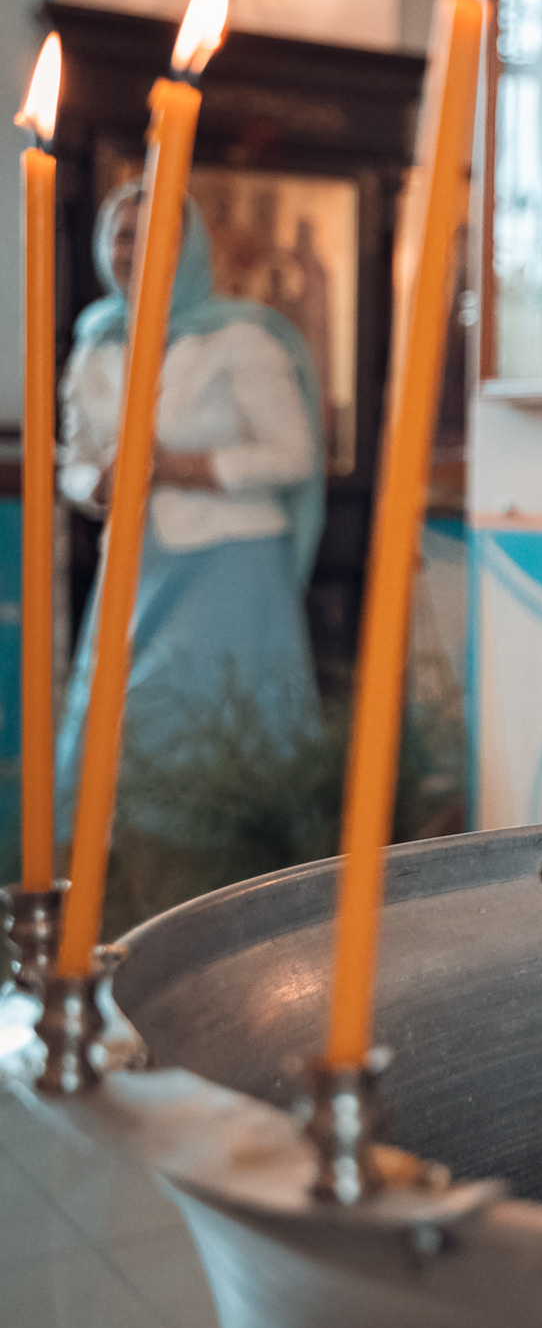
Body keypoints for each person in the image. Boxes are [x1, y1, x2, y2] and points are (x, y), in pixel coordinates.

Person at [55, 184, 326, 848]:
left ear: (192, 249)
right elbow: (73, 456)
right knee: (113, 721)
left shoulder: (241, 335)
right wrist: (100, 481)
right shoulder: (96, 339)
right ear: (103, 246)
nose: (137, 250)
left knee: (215, 728)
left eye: (158, 236)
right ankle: (124, 894)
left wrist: (179, 465)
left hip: (231, 562)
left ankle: (226, 888)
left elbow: (294, 453)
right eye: (123, 235)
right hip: (136, 557)